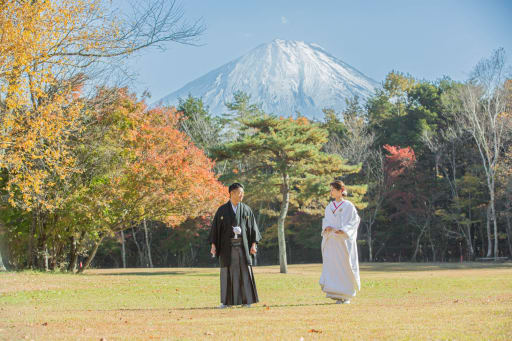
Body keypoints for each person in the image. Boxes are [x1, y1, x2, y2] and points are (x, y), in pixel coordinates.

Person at [209, 183, 261, 308]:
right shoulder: (222, 210)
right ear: (232, 193)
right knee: (227, 272)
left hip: (243, 246)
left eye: (242, 193)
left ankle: (246, 301)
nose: (241, 195)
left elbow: (253, 229)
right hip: (227, 247)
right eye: (239, 192)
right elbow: (215, 229)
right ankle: (226, 302)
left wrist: (253, 245)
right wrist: (213, 245)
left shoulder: (246, 210)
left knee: (245, 272)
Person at [319, 180, 361, 304]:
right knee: (333, 267)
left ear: (341, 191)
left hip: (343, 241)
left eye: (333, 189)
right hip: (332, 241)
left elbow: (354, 221)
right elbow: (326, 220)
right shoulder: (329, 206)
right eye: (330, 189)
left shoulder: (348, 206)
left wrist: (343, 230)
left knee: (345, 266)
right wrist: (327, 227)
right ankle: (336, 294)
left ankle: (346, 295)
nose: (331, 192)